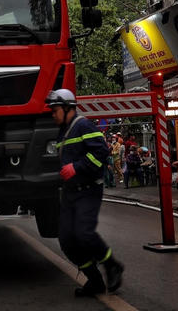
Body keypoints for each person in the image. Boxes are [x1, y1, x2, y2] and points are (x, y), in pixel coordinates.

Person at [47, 89, 123, 297]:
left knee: (83, 233)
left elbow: (101, 152)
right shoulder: (63, 132)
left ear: (68, 108)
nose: (53, 114)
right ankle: (95, 281)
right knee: (67, 241)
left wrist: (77, 167)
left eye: (55, 110)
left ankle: (112, 265)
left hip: (88, 191)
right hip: (70, 193)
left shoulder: (83, 125)